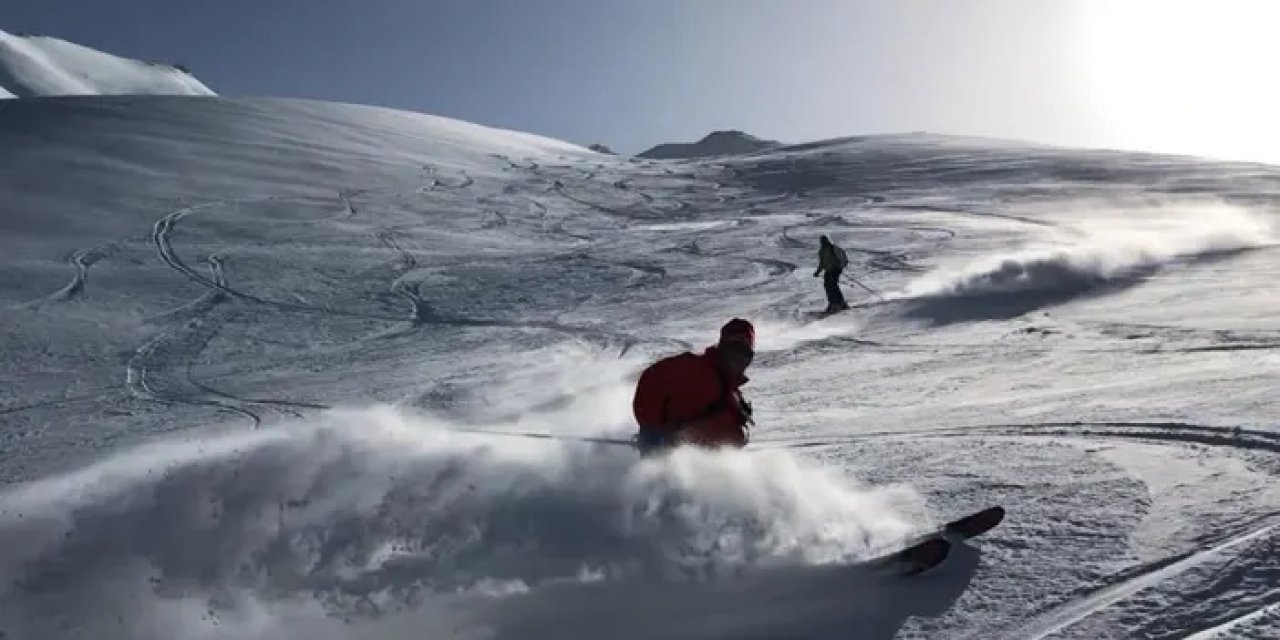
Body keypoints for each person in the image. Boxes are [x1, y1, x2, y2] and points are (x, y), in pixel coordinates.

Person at [631, 318, 756, 455]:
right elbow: (653, 379)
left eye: (744, 354)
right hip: (667, 456)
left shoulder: (732, 393)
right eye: (732, 350)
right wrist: (652, 429)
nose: (737, 359)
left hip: (705, 465)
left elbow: (732, 433)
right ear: (721, 347)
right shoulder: (694, 369)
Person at [813, 235, 850, 313]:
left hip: (835, 269)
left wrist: (841, 266)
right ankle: (836, 303)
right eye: (822, 240)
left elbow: (843, 257)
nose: (823, 242)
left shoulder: (833, 248)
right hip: (829, 270)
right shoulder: (822, 251)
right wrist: (818, 272)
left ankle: (837, 304)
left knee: (832, 285)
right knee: (828, 285)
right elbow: (822, 263)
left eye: (824, 240)